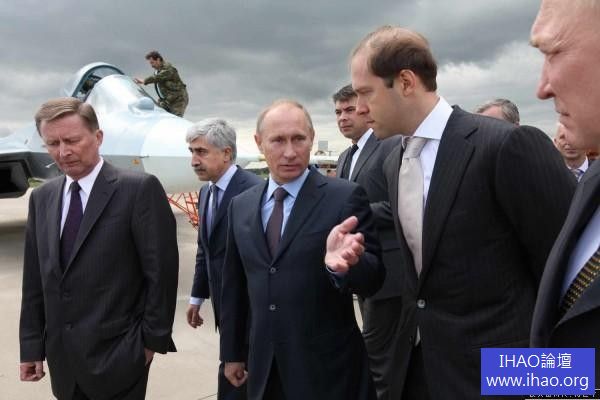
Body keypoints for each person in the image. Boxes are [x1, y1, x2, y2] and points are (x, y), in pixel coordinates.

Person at [350, 26, 575, 399]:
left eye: (365, 93)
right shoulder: (394, 161)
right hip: (419, 372)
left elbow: (570, 276)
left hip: (506, 377)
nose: (359, 108)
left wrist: (564, 382)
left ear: (405, 82)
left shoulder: (503, 145)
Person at [219, 99, 384, 400]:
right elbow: (234, 285)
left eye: (299, 139)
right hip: (264, 369)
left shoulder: (344, 198)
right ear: (259, 142)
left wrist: (346, 266)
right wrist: (231, 353)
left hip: (327, 372)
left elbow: (373, 279)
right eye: (278, 141)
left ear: (311, 138)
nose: (290, 152)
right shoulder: (240, 206)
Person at [19, 97, 179, 399]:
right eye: (52, 143)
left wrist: (149, 344)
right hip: (63, 362)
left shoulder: (138, 190)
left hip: (121, 357)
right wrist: (31, 347)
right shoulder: (42, 198)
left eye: (72, 140)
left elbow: (161, 274)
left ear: (98, 137)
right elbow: (35, 281)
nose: (63, 152)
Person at [529, 0, 600, 385]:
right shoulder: (591, 183)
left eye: (552, 52)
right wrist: (498, 377)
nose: (542, 88)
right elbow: (577, 361)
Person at [333, 84, 402, 399]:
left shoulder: (390, 145)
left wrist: (352, 213)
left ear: (365, 109)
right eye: (338, 112)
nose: (343, 117)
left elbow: (401, 203)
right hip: (361, 269)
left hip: (390, 274)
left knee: (378, 357)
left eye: (349, 110)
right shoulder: (345, 156)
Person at [185, 118, 262, 399]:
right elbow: (205, 249)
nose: (194, 160)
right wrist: (197, 296)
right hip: (226, 310)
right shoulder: (207, 192)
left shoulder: (255, 191)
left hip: (252, 313)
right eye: (192, 152)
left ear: (227, 153)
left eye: (201, 152)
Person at [134, 50, 189, 117]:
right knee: (158, 115)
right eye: (150, 63)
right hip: (166, 101)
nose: (152, 66)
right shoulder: (157, 71)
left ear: (158, 60)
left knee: (175, 118)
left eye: (152, 63)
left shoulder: (168, 69)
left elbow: (157, 78)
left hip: (178, 100)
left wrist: (144, 81)